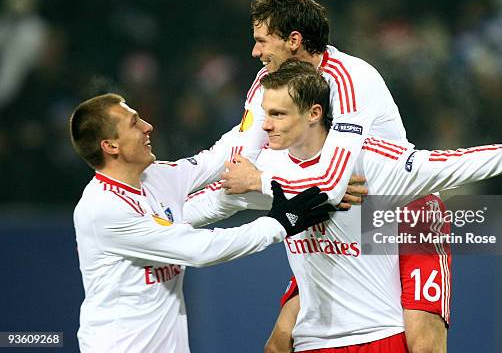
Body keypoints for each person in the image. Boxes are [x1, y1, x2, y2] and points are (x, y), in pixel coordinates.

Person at [184, 59, 502, 352]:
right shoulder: (262, 166)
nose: (264, 126)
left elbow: (447, 164)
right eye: (265, 113)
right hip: (320, 324)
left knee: (424, 341)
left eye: (277, 114)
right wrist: (138, 222)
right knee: (276, 343)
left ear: (314, 113)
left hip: (392, 284)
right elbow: (207, 204)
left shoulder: (370, 163)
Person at [219, 0, 453, 351]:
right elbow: (238, 162)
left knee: (422, 339)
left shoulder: (351, 80)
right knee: (279, 340)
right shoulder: (266, 86)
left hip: (404, 212)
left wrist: (262, 180)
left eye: (262, 41)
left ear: (294, 41)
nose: (256, 52)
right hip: (332, 216)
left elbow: (333, 178)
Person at [69, 93, 333, 353]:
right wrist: (279, 223)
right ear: (110, 146)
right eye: (134, 122)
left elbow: (222, 157)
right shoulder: (102, 210)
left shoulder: (155, 177)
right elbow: (199, 250)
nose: (147, 127)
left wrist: (263, 95)